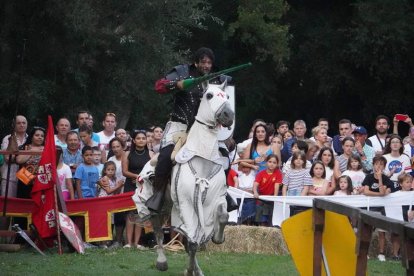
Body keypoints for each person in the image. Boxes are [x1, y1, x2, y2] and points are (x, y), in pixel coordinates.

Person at [147, 47, 225, 212]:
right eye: (203, 62)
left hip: (203, 130)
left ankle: (223, 194)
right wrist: (176, 84)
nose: (206, 65)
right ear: (196, 62)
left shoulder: (216, 80)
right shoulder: (182, 72)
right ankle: (158, 194)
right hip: (179, 126)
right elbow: (159, 86)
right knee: (166, 156)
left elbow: (220, 106)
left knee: (223, 156)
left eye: (209, 62)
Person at [122, 130, 152, 248]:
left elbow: (153, 171)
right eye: (138, 138)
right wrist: (136, 176)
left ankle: (137, 242)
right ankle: (129, 243)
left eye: (143, 138)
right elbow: (125, 171)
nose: (141, 140)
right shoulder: (127, 154)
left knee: (140, 213)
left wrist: (142, 178)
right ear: (134, 140)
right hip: (130, 185)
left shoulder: (151, 154)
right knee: (130, 213)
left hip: (144, 186)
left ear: (146, 140)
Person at [362, 156, 394, 262]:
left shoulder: (386, 179)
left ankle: (381, 253)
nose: (378, 166)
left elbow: (384, 192)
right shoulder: (368, 177)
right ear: (373, 165)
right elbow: (366, 192)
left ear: (384, 167)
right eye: (376, 164)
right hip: (370, 208)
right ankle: (366, 252)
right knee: (368, 231)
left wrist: (380, 178)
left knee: (381, 232)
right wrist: (379, 194)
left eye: (381, 164)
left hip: (382, 209)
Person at [1, 115, 28, 197]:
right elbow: (7, 158)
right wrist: (23, 157)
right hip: (9, 177)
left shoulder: (30, 138)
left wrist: (16, 156)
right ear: (14, 125)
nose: (22, 125)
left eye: (24, 123)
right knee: (8, 205)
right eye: (18, 123)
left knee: (22, 206)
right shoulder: (8, 138)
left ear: (27, 124)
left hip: (25, 177)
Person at [15, 126, 46, 198]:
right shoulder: (25, 147)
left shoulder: (46, 148)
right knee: (24, 203)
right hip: (25, 178)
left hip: (41, 180)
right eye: (37, 135)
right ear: (31, 137)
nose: (40, 137)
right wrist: (32, 151)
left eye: (42, 136)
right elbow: (19, 160)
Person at [107, 137, 126, 249]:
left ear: (122, 146)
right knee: (113, 216)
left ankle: (119, 239)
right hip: (114, 191)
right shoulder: (111, 159)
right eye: (113, 147)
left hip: (126, 189)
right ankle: (111, 239)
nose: (115, 149)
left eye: (117, 146)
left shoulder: (127, 157)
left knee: (123, 215)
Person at [253, 154, 282, 226]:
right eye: (270, 162)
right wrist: (255, 192)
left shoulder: (278, 173)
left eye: (274, 163)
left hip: (271, 199)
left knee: (270, 220)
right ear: (266, 162)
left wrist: (275, 197)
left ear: (277, 164)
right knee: (261, 220)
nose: (272, 164)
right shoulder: (260, 173)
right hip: (261, 198)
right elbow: (255, 184)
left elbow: (276, 185)